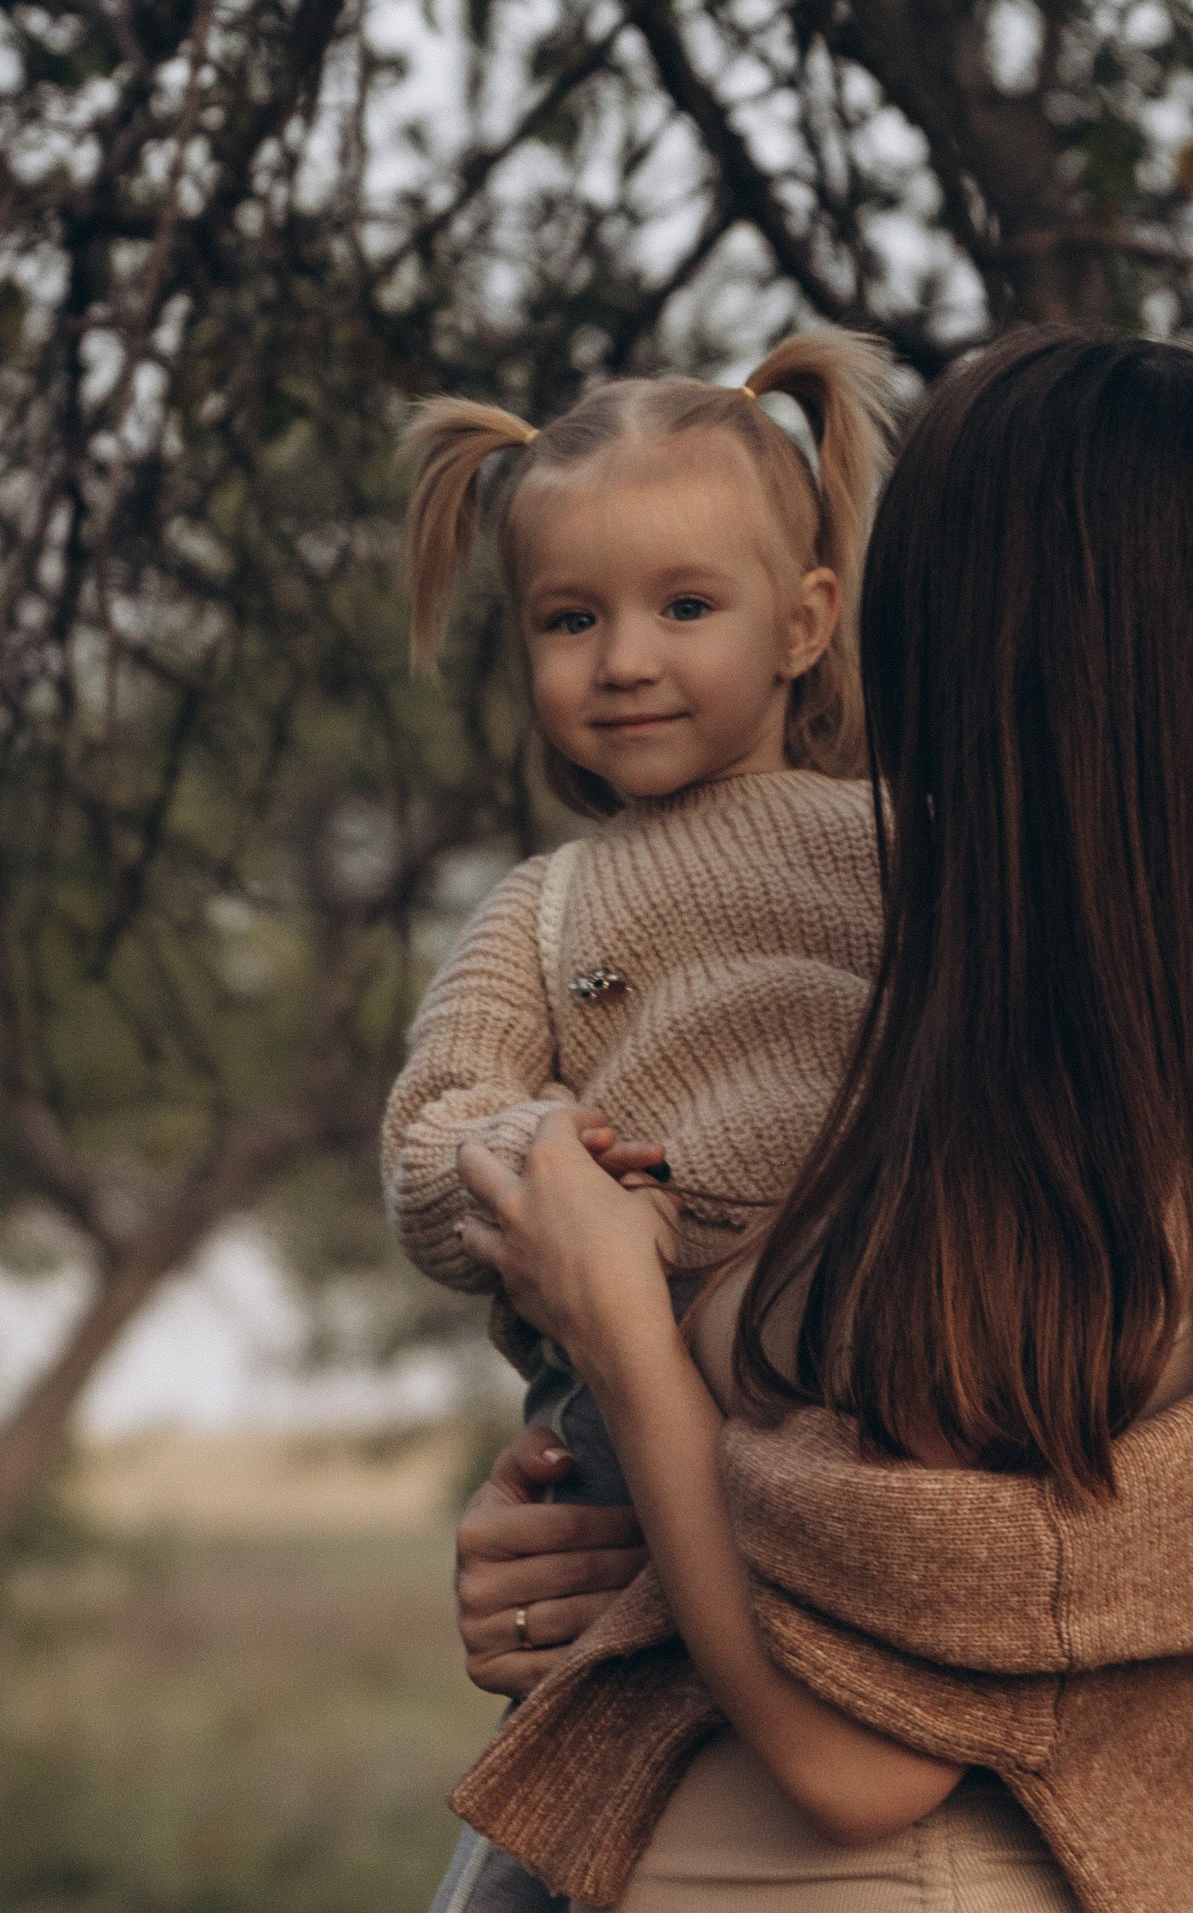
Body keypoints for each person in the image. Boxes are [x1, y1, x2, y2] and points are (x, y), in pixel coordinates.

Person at [443, 329, 1193, 1913]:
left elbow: (867, 1753)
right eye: (572, 618)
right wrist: (604, 1546)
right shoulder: (971, 1042)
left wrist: (626, 1333)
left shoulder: (1066, 1146)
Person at [382, 331, 897, 1912]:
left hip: (852, 1377)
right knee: (579, 1751)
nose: (624, 657)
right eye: (570, 619)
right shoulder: (544, 909)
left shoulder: (908, 849)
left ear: (805, 620)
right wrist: (536, 1150)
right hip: (616, 1395)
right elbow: (429, 1131)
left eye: (685, 607)